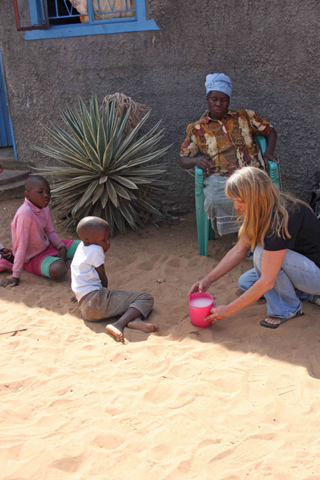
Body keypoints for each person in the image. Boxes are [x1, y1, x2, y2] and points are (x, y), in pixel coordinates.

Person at [188, 167, 320, 329]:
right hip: (299, 268)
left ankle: (287, 310)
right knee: (246, 283)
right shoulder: (262, 210)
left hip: (316, 275)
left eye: (240, 201)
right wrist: (207, 280)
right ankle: (308, 295)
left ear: (256, 197)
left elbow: (266, 282)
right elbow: (238, 250)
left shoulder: (282, 217)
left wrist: (227, 311)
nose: (236, 206)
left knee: (261, 255)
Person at [179, 73, 277, 235]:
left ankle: (252, 234)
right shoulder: (198, 129)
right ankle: (244, 235)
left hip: (250, 174)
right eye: (214, 99)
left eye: (223, 100)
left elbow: (270, 131)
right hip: (219, 179)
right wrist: (195, 162)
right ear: (207, 100)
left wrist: (268, 153)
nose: (218, 104)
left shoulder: (244, 117)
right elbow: (182, 159)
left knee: (259, 193)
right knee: (214, 198)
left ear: (229, 101)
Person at [71, 216, 158, 342]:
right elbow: (103, 279)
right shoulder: (96, 250)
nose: (108, 242)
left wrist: (80, 295)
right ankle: (118, 324)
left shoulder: (81, 247)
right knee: (145, 298)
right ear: (89, 241)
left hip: (85, 307)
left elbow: (78, 274)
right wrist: (103, 293)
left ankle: (135, 321)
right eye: (103, 240)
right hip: (96, 301)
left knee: (123, 304)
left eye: (108, 238)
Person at [0, 175, 80, 288]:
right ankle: (57, 261)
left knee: (85, 246)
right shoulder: (25, 213)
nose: (46, 195)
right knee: (59, 270)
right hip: (32, 257)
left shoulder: (44, 207)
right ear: (28, 195)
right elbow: (22, 246)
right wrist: (15, 276)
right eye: (40, 192)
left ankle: (58, 257)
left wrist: (61, 246)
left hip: (47, 246)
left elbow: (50, 231)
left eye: (48, 192)